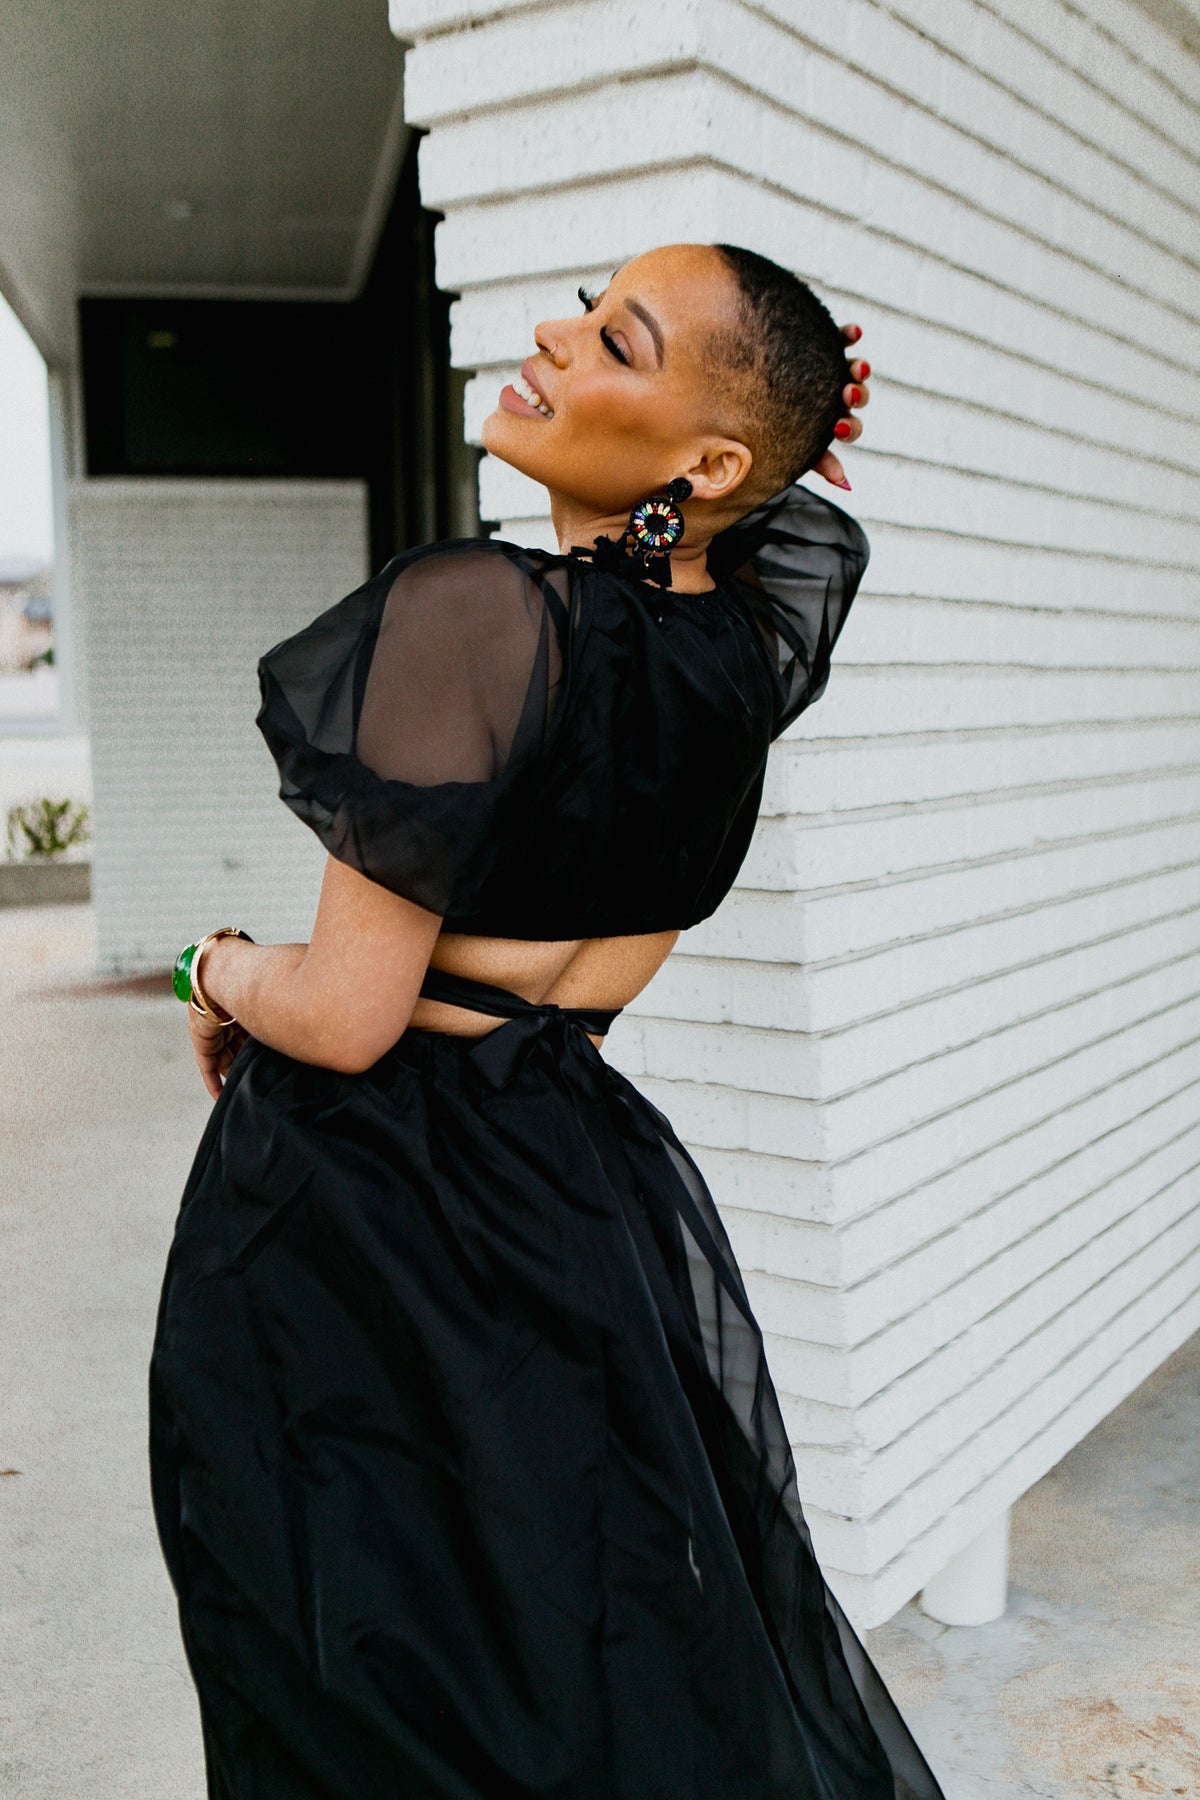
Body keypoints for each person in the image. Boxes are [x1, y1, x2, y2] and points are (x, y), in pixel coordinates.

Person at [149, 241, 945, 1798]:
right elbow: (605, 971)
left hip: (363, 1209)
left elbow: (348, 1014)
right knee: (566, 1649)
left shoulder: (477, 618)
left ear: (710, 465)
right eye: (587, 312)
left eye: (616, 343)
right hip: (568, 1185)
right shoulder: (737, 655)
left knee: (340, 1669)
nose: (552, 339)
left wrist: (212, 968)